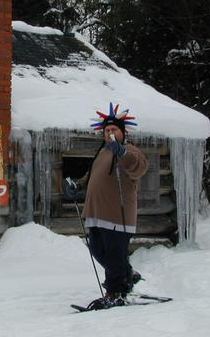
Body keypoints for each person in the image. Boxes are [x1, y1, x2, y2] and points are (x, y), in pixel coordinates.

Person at [64, 102, 148, 303]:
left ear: (122, 132)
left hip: (117, 214)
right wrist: (78, 185)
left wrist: (121, 152)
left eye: (114, 129)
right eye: (107, 129)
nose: (109, 132)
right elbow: (91, 176)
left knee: (113, 254)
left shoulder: (129, 150)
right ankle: (127, 273)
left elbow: (139, 166)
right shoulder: (101, 153)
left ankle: (116, 291)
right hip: (95, 213)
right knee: (98, 251)